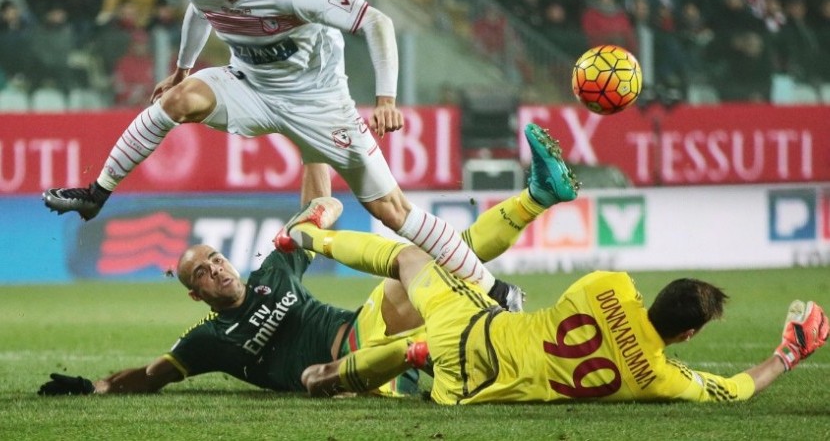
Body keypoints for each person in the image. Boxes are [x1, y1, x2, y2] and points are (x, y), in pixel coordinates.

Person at [42, 0, 574, 310]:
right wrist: (183, 68)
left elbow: (378, 24)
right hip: (249, 84)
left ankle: (496, 290)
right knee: (176, 101)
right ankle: (96, 193)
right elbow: (198, 10)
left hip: (318, 103)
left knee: (393, 212)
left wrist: (385, 99)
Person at [37, 126, 577, 397]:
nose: (217, 269)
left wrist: (312, 136)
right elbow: (152, 375)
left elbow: (311, 206)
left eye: (216, 259)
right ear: (195, 294)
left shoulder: (272, 272)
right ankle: (513, 258)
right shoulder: (207, 339)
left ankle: (535, 203)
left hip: (365, 326)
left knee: (426, 255)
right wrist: (95, 387)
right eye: (202, 272)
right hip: (348, 369)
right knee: (423, 259)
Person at [289, 208, 829, 404]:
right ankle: (384, 367)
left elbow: (617, 303)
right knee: (424, 352)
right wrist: (787, 353)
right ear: (687, 336)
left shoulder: (608, 286)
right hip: (476, 389)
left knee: (411, 258)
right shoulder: (658, 378)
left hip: (476, 327)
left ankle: (312, 239)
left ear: (658, 293)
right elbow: (734, 390)